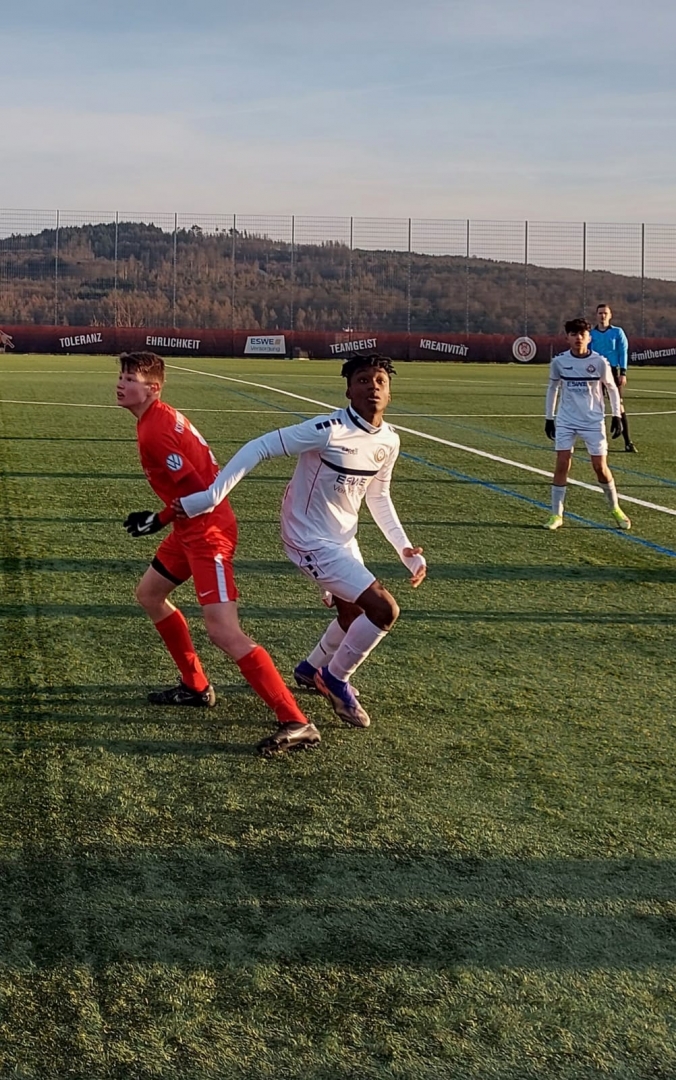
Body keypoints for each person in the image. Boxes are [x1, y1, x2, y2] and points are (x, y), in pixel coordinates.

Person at [176, 354, 427, 751]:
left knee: (353, 614)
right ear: (349, 390)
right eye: (363, 380)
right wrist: (211, 496)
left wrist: (404, 548)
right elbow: (260, 446)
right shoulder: (328, 431)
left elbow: (379, 496)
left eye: (379, 381)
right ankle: (335, 679)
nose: (372, 387)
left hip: (343, 539)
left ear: (390, 392)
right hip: (307, 539)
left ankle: (311, 670)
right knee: (383, 610)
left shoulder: (389, 441)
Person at [116, 350, 319, 755]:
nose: (120, 384)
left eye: (130, 379)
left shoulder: (155, 430)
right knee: (150, 594)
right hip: (190, 528)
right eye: (121, 377)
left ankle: (296, 720)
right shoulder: (155, 418)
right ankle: (195, 686)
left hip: (207, 533)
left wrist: (158, 518)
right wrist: (164, 519)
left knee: (224, 632)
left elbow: (199, 493)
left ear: (153, 388)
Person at [544, 318, 631, 531]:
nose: (578, 338)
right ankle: (556, 514)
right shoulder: (559, 362)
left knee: (600, 467)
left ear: (589, 338)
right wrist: (549, 417)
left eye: (582, 334)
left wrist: (617, 416)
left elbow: (611, 388)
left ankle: (615, 508)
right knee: (562, 463)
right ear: (567, 338)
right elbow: (553, 388)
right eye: (573, 334)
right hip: (566, 420)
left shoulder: (599, 362)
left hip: (593, 421)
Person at [590, 303, 636, 452]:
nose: (602, 316)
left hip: (613, 371)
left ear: (610, 315)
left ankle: (628, 442)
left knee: (618, 404)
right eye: (600, 313)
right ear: (596, 315)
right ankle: (595, 440)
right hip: (595, 372)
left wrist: (623, 372)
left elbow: (623, 352)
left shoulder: (617, 332)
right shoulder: (591, 334)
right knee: (595, 405)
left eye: (605, 313)